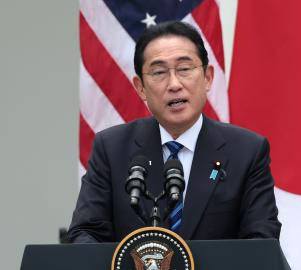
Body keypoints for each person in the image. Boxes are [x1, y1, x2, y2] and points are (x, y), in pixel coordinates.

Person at [67, 21, 281, 243]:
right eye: (159, 72)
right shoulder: (111, 148)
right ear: (140, 87)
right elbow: (86, 232)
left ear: (207, 77)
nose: (174, 84)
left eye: (184, 69)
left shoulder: (247, 151)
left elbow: (261, 239)